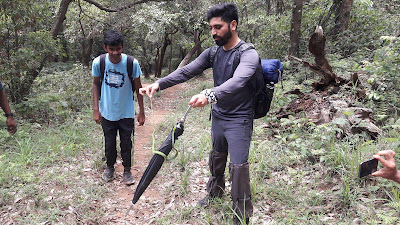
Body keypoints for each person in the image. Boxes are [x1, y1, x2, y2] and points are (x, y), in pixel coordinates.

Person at [140, 3, 258, 224]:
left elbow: (239, 80)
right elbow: (187, 71)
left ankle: (241, 215)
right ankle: (214, 193)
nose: (213, 32)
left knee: (239, 167)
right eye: (211, 27)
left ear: (233, 25)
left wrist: (210, 95)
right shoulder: (213, 52)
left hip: (239, 119)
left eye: (218, 27)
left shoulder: (248, 54)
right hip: (219, 115)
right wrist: (158, 84)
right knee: (217, 156)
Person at [92, 30, 145, 185]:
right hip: (107, 111)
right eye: (111, 49)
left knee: (126, 142)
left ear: (123, 47)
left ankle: (127, 170)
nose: (115, 53)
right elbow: (96, 84)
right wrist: (96, 108)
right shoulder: (99, 63)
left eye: (118, 49)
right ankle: (110, 168)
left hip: (126, 112)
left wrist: (141, 111)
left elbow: (138, 88)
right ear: (105, 47)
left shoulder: (131, 63)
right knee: (109, 142)